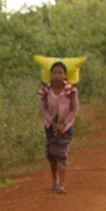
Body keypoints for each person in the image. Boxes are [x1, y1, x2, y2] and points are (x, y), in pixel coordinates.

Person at [38, 61, 79, 195]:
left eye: (60, 73)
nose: (57, 75)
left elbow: (74, 109)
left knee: (62, 154)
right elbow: (43, 109)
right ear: (50, 74)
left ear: (65, 75)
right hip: (50, 126)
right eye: (54, 73)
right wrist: (53, 123)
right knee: (51, 154)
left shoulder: (71, 91)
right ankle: (54, 179)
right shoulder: (45, 91)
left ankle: (61, 184)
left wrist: (63, 124)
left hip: (66, 127)